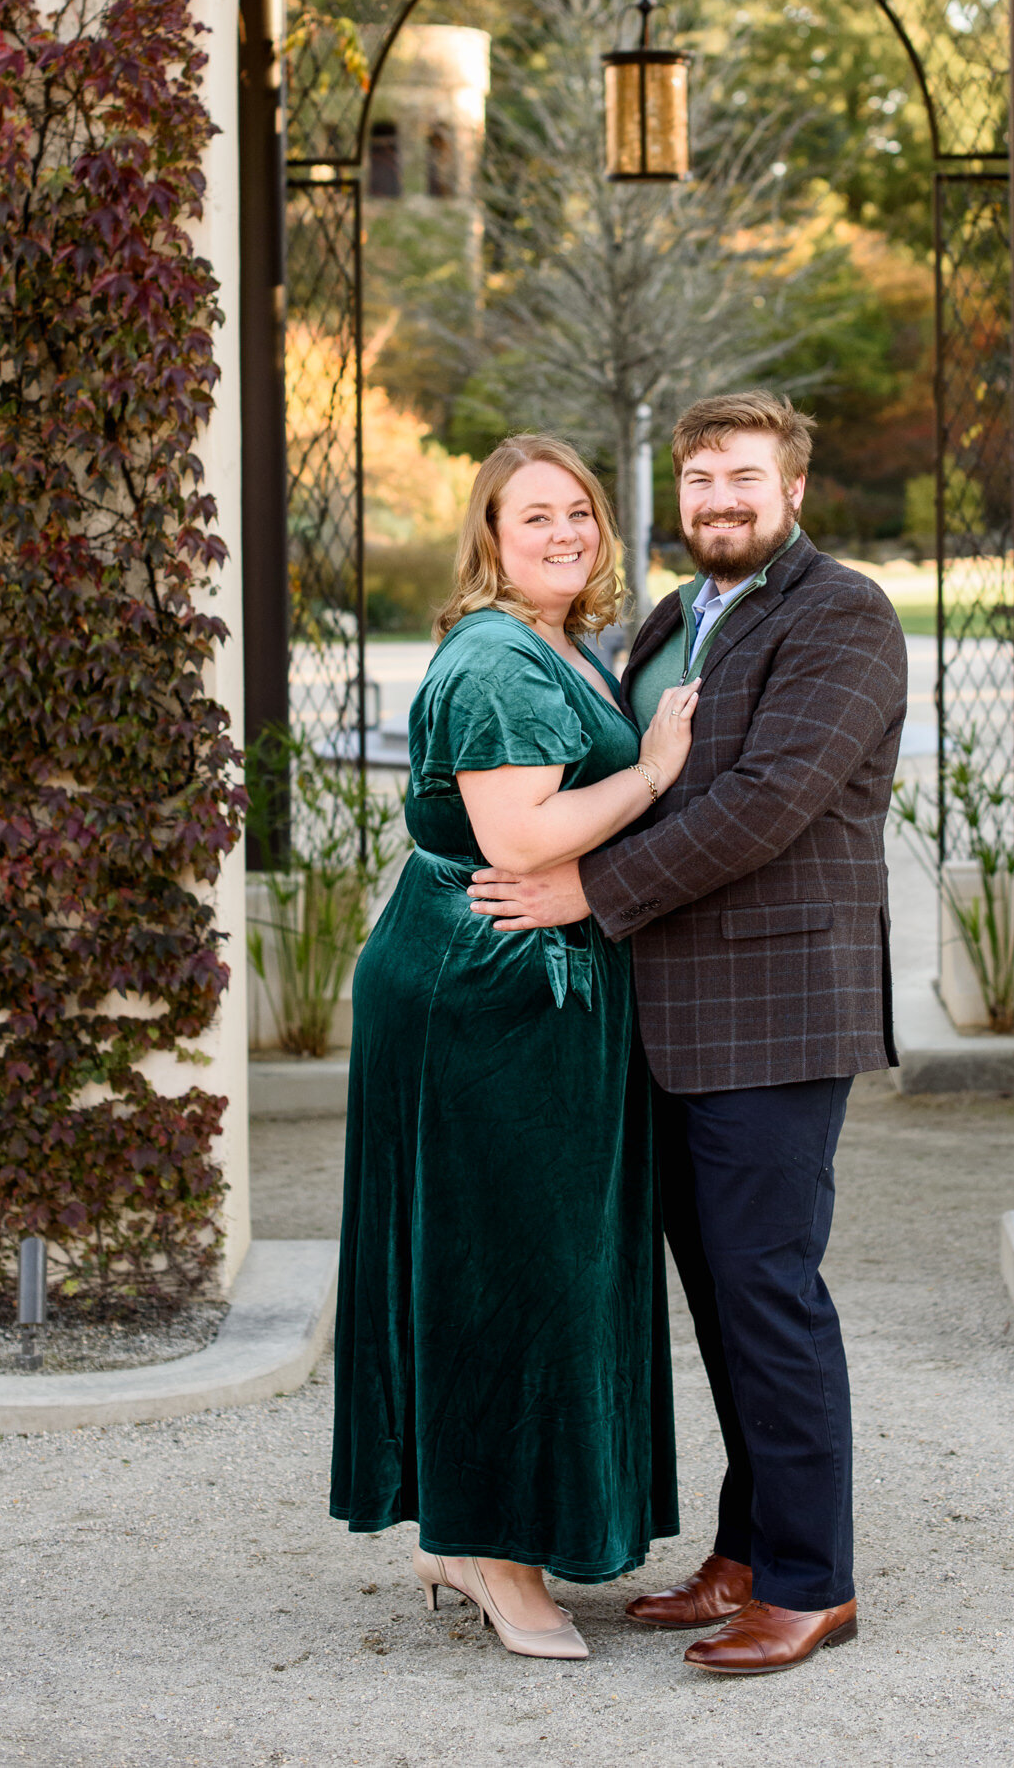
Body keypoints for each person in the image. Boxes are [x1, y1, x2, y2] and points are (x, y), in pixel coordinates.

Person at [469, 390, 909, 1678]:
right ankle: (748, 1548)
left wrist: (587, 892)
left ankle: (812, 1581)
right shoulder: (675, 618)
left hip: (774, 1017)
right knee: (719, 1306)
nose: (721, 498)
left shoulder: (843, 614)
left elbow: (772, 801)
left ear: (793, 489)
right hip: (660, 1021)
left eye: (745, 477)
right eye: (702, 477)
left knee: (770, 1294)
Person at [329, 435, 698, 1659]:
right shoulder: (497, 657)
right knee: (501, 1272)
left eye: (580, 511)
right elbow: (519, 835)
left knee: (536, 1263)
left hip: (523, 987)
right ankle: (488, 1548)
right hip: (482, 993)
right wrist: (649, 774)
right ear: (488, 534)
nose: (564, 531)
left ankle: (484, 1530)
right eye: (534, 514)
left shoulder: (553, 643)